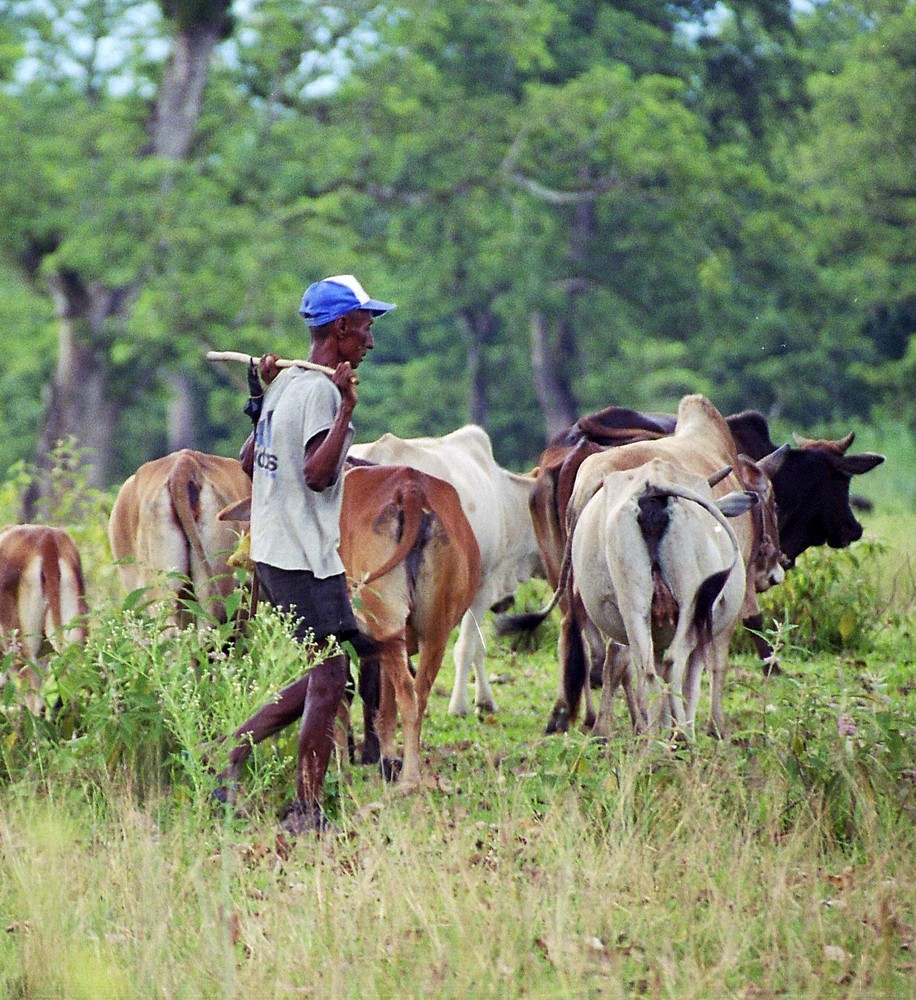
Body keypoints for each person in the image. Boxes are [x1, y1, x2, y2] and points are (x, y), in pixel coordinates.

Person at [218, 274, 395, 834]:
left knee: (329, 672)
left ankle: (232, 751)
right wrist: (345, 410)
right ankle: (305, 808)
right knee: (331, 674)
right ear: (340, 329)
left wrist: (261, 393)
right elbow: (318, 476)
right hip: (301, 556)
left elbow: (251, 461)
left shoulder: (287, 383)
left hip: (273, 550)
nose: (370, 340)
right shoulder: (319, 391)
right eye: (365, 327)